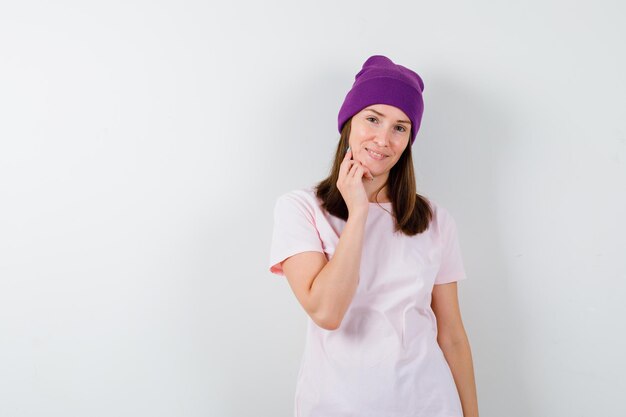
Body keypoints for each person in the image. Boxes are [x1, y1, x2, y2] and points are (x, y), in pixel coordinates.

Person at [268, 55, 479, 417]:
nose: (383, 139)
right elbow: (327, 312)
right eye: (372, 119)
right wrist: (359, 212)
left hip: (429, 403)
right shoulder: (301, 208)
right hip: (336, 406)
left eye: (400, 127)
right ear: (349, 123)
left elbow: (453, 335)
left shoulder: (434, 221)